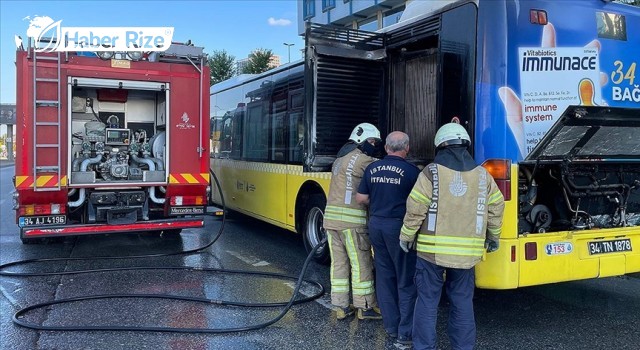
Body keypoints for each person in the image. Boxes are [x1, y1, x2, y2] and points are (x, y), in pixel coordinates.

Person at [400, 123, 505, 350]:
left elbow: (416, 207)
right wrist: (493, 237)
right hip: (467, 255)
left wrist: (406, 236)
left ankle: (424, 347)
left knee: (427, 302)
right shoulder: (482, 175)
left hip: (431, 252)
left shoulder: (431, 172)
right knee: (462, 302)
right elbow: (496, 207)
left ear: (440, 145)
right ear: (465, 145)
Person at [356, 131, 420, 346]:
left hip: (376, 225)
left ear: (386, 148)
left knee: (384, 276)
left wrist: (378, 203)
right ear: (407, 148)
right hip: (398, 228)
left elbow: (361, 198)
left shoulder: (372, 168)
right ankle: (405, 333)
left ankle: (391, 327)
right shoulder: (412, 172)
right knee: (405, 278)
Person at [324, 122, 383, 320]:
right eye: (373, 141)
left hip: (331, 222)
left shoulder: (339, 159)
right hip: (352, 224)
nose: (374, 145)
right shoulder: (363, 160)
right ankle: (365, 307)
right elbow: (381, 168)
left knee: (339, 264)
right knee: (361, 264)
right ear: (362, 140)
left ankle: (341, 307)